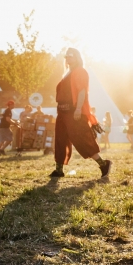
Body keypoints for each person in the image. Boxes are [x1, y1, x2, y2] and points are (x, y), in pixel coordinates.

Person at [49, 47, 111, 178]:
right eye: (66, 56)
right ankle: (59, 170)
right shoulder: (66, 73)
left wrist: (78, 109)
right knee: (60, 140)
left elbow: (82, 91)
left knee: (82, 140)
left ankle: (103, 164)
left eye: (70, 55)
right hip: (62, 112)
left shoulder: (80, 71)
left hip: (73, 112)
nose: (67, 58)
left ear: (77, 57)